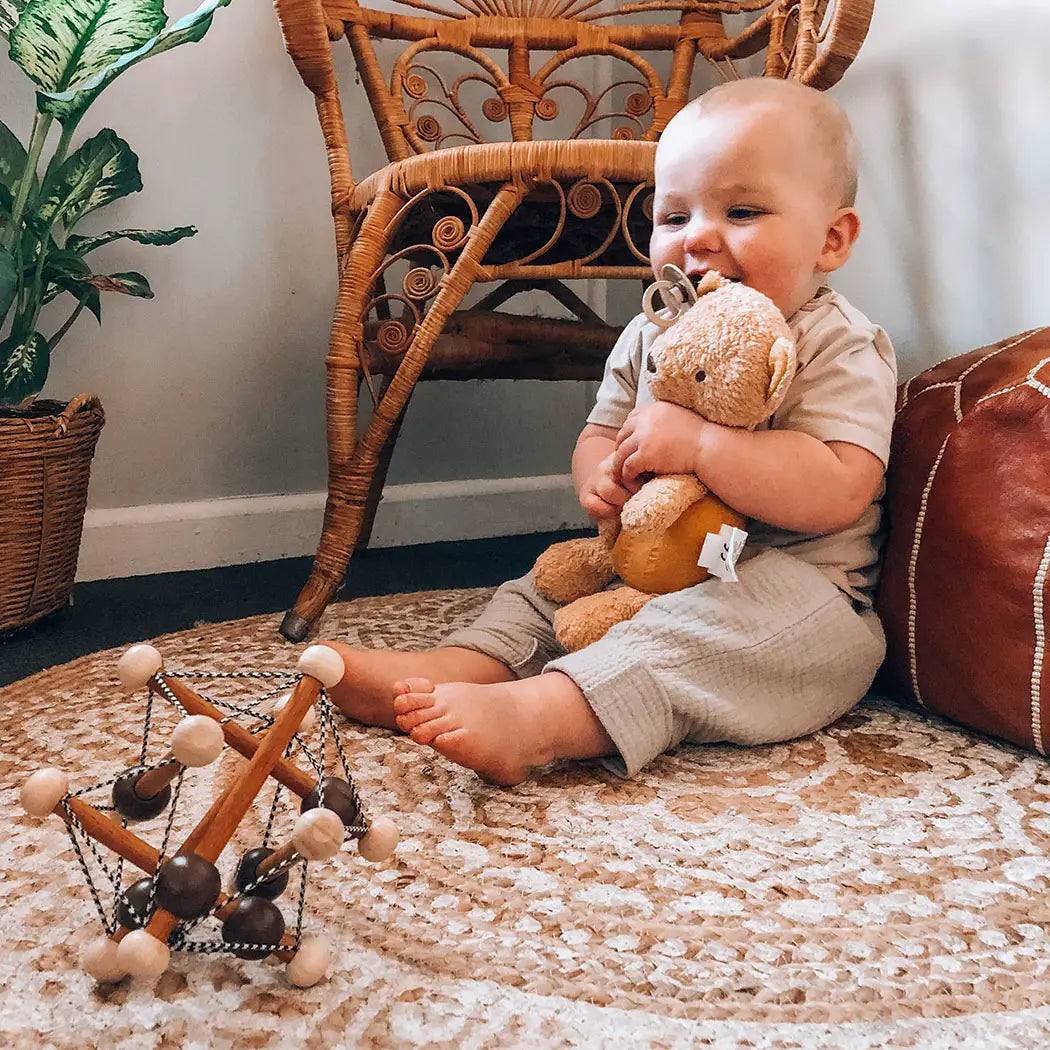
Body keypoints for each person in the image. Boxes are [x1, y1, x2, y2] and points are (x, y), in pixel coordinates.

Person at [318, 77, 897, 786]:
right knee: (547, 590)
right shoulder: (651, 332)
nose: (700, 239)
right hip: (645, 567)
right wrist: (599, 476)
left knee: (703, 637)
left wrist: (704, 448)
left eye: (742, 211)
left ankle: (543, 718)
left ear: (832, 239)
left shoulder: (839, 342)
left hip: (793, 585)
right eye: (674, 217)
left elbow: (839, 486)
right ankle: (457, 668)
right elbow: (602, 432)